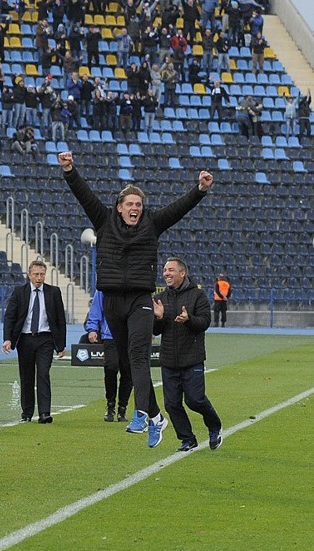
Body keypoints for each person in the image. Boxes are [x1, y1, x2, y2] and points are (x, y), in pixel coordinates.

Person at [58, 151, 213, 448]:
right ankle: (156, 416)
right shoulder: (103, 220)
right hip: (112, 300)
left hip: (141, 298)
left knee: (139, 355)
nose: (135, 208)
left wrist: (200, 190)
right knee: (128, 362)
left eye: (139, 204)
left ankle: (141, 413)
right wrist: (69, 170)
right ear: (119, 208)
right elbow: (83, 194)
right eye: (130, 204)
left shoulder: (152, 223)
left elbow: (179, 208)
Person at [153, 257, 223, 451]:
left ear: (182, 273)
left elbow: (204, 323)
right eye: (165, 270)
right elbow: (156, 330)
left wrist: (188, 319)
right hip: (168, 360)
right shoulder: (161, 298)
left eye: (170, 270)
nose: (166, 273)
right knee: (172, 404)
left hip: (192, 358)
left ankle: (214, 426)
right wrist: (157, 318)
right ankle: (187, 439)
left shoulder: (197, 295)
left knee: (195, 400)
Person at [2, 260, 67, 424]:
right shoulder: (19, 292)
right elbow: (10, 316)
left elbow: (60, 319)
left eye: (42, 274)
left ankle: (45, 413)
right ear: (29, 275)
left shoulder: (54, 292)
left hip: (46, 339)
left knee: (43, 373)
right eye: (36, 274)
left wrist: (61, 345)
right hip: (25, 339)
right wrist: (7, 339)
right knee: (27, 376)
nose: (39, 278)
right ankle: (27, 412)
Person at [85, 290, 132, 422]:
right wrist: (92, 329)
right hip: (110, 335)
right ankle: (110, 405)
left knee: (128, 372)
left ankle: (122, 408)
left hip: (131, 336)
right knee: (111, 367)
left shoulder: (134, 283)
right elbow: (96, 308)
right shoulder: (104, 287)